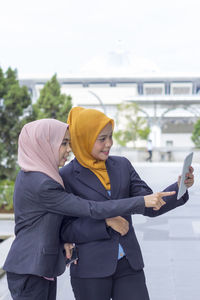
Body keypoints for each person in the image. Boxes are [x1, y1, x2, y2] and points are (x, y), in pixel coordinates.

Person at [3, 119, 172, 300]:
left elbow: (43, 221)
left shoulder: (32, 174)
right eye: (63, 143)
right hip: (31, 269)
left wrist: (61, 242)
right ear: (45, 144)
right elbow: (89, 208)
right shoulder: (43, 183)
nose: (69, 149)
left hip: (39, 266)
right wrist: (139, 202)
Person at [59, 107, 194, 300]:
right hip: (90, 270)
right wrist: (105, 222)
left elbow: (149, 204)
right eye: (102, 139)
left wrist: (180, 187)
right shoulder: (66, 177)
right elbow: (65, 230)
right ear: (84, 138)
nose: (109, 144)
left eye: (111, 137)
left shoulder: (122, 165)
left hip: (128, 264)